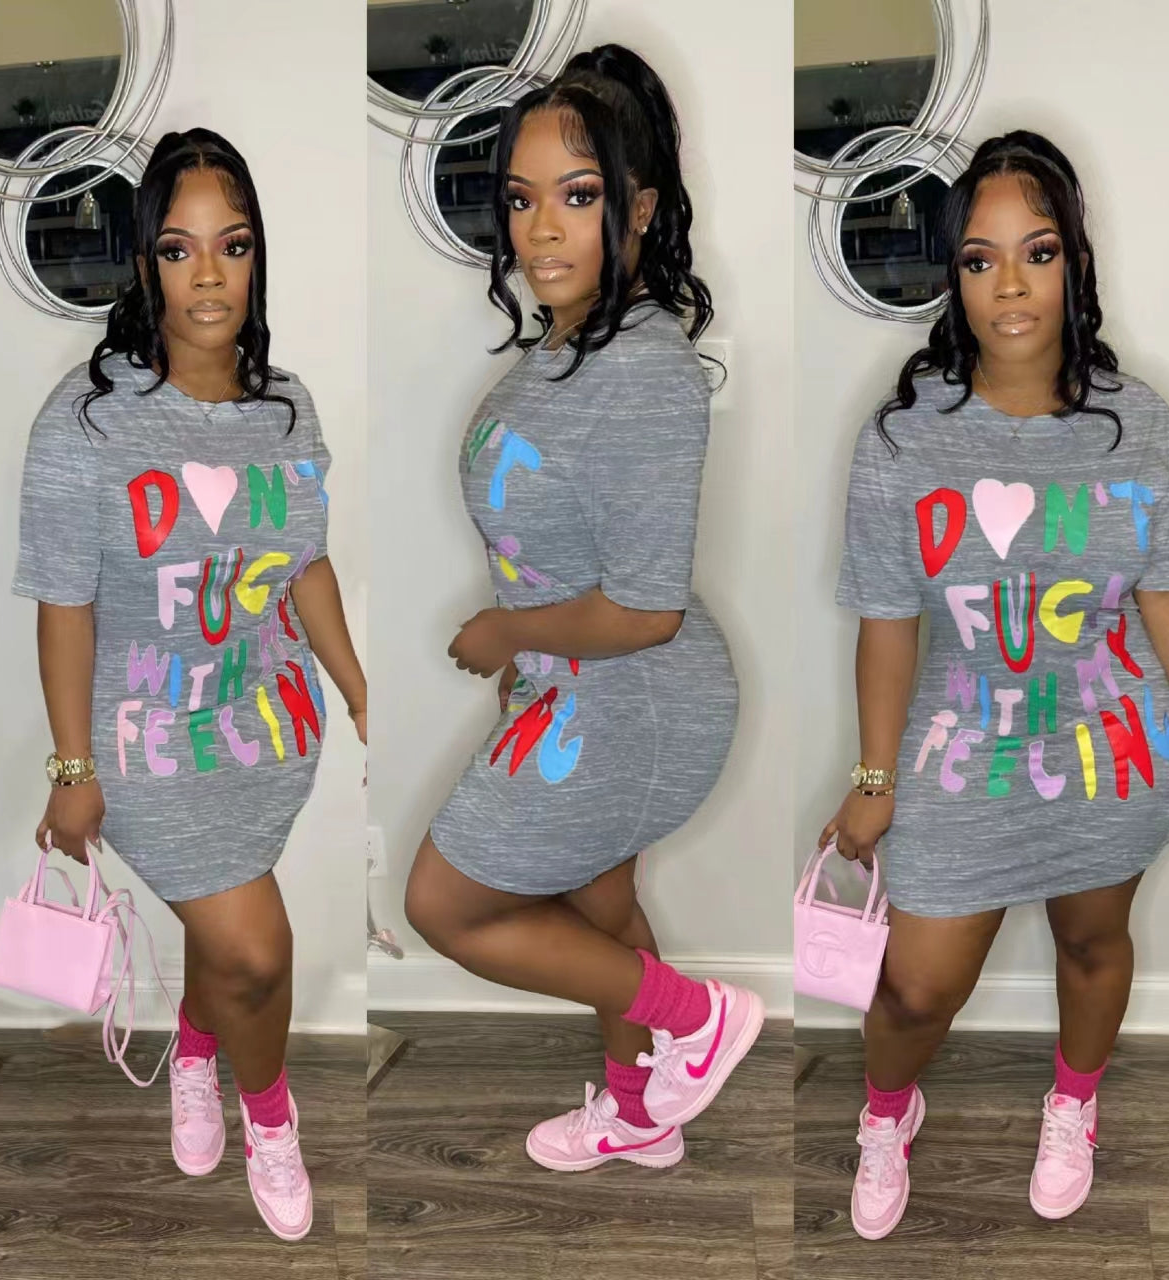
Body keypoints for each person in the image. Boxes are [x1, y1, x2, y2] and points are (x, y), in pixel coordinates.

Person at [823, 130, 1169, 1238]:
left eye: (1036, 253)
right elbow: (888, 626)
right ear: (951, 276)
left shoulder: (1139, 426)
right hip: (961, 753)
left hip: (1112, 750)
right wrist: (873, 777)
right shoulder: (902, 442)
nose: (1009, 285)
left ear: (1073, 263)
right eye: (979, 258)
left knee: (1093, 943)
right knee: (913, 986)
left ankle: (1073, 1104)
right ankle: (886, 1110)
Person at [403, 44, 763, 1172]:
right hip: (580, 686)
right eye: (522, 200)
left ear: (638, 209)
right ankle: (639, 1110)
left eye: (578, 195)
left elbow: (648, 611)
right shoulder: (572, 343)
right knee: (600, 910)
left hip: (637, 698)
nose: (540, 229)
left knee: (442, 904)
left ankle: (698, 1018)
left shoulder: (645, 369)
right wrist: (535, 655)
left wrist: (505, 631)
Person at [13, 128, 367, 1242]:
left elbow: (304, 563)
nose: (208, 275)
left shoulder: (289, 408)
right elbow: (63, 602)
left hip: (269, 725)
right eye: (178, 249)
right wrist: (72, 768)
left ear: (258, 256)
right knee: (257, 952)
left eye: (233, 245)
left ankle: (198, 1049)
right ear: (144, 263)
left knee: (228, 936)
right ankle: (273, 1116)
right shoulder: (87, 422)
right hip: (148, 744)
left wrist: (359, 687)